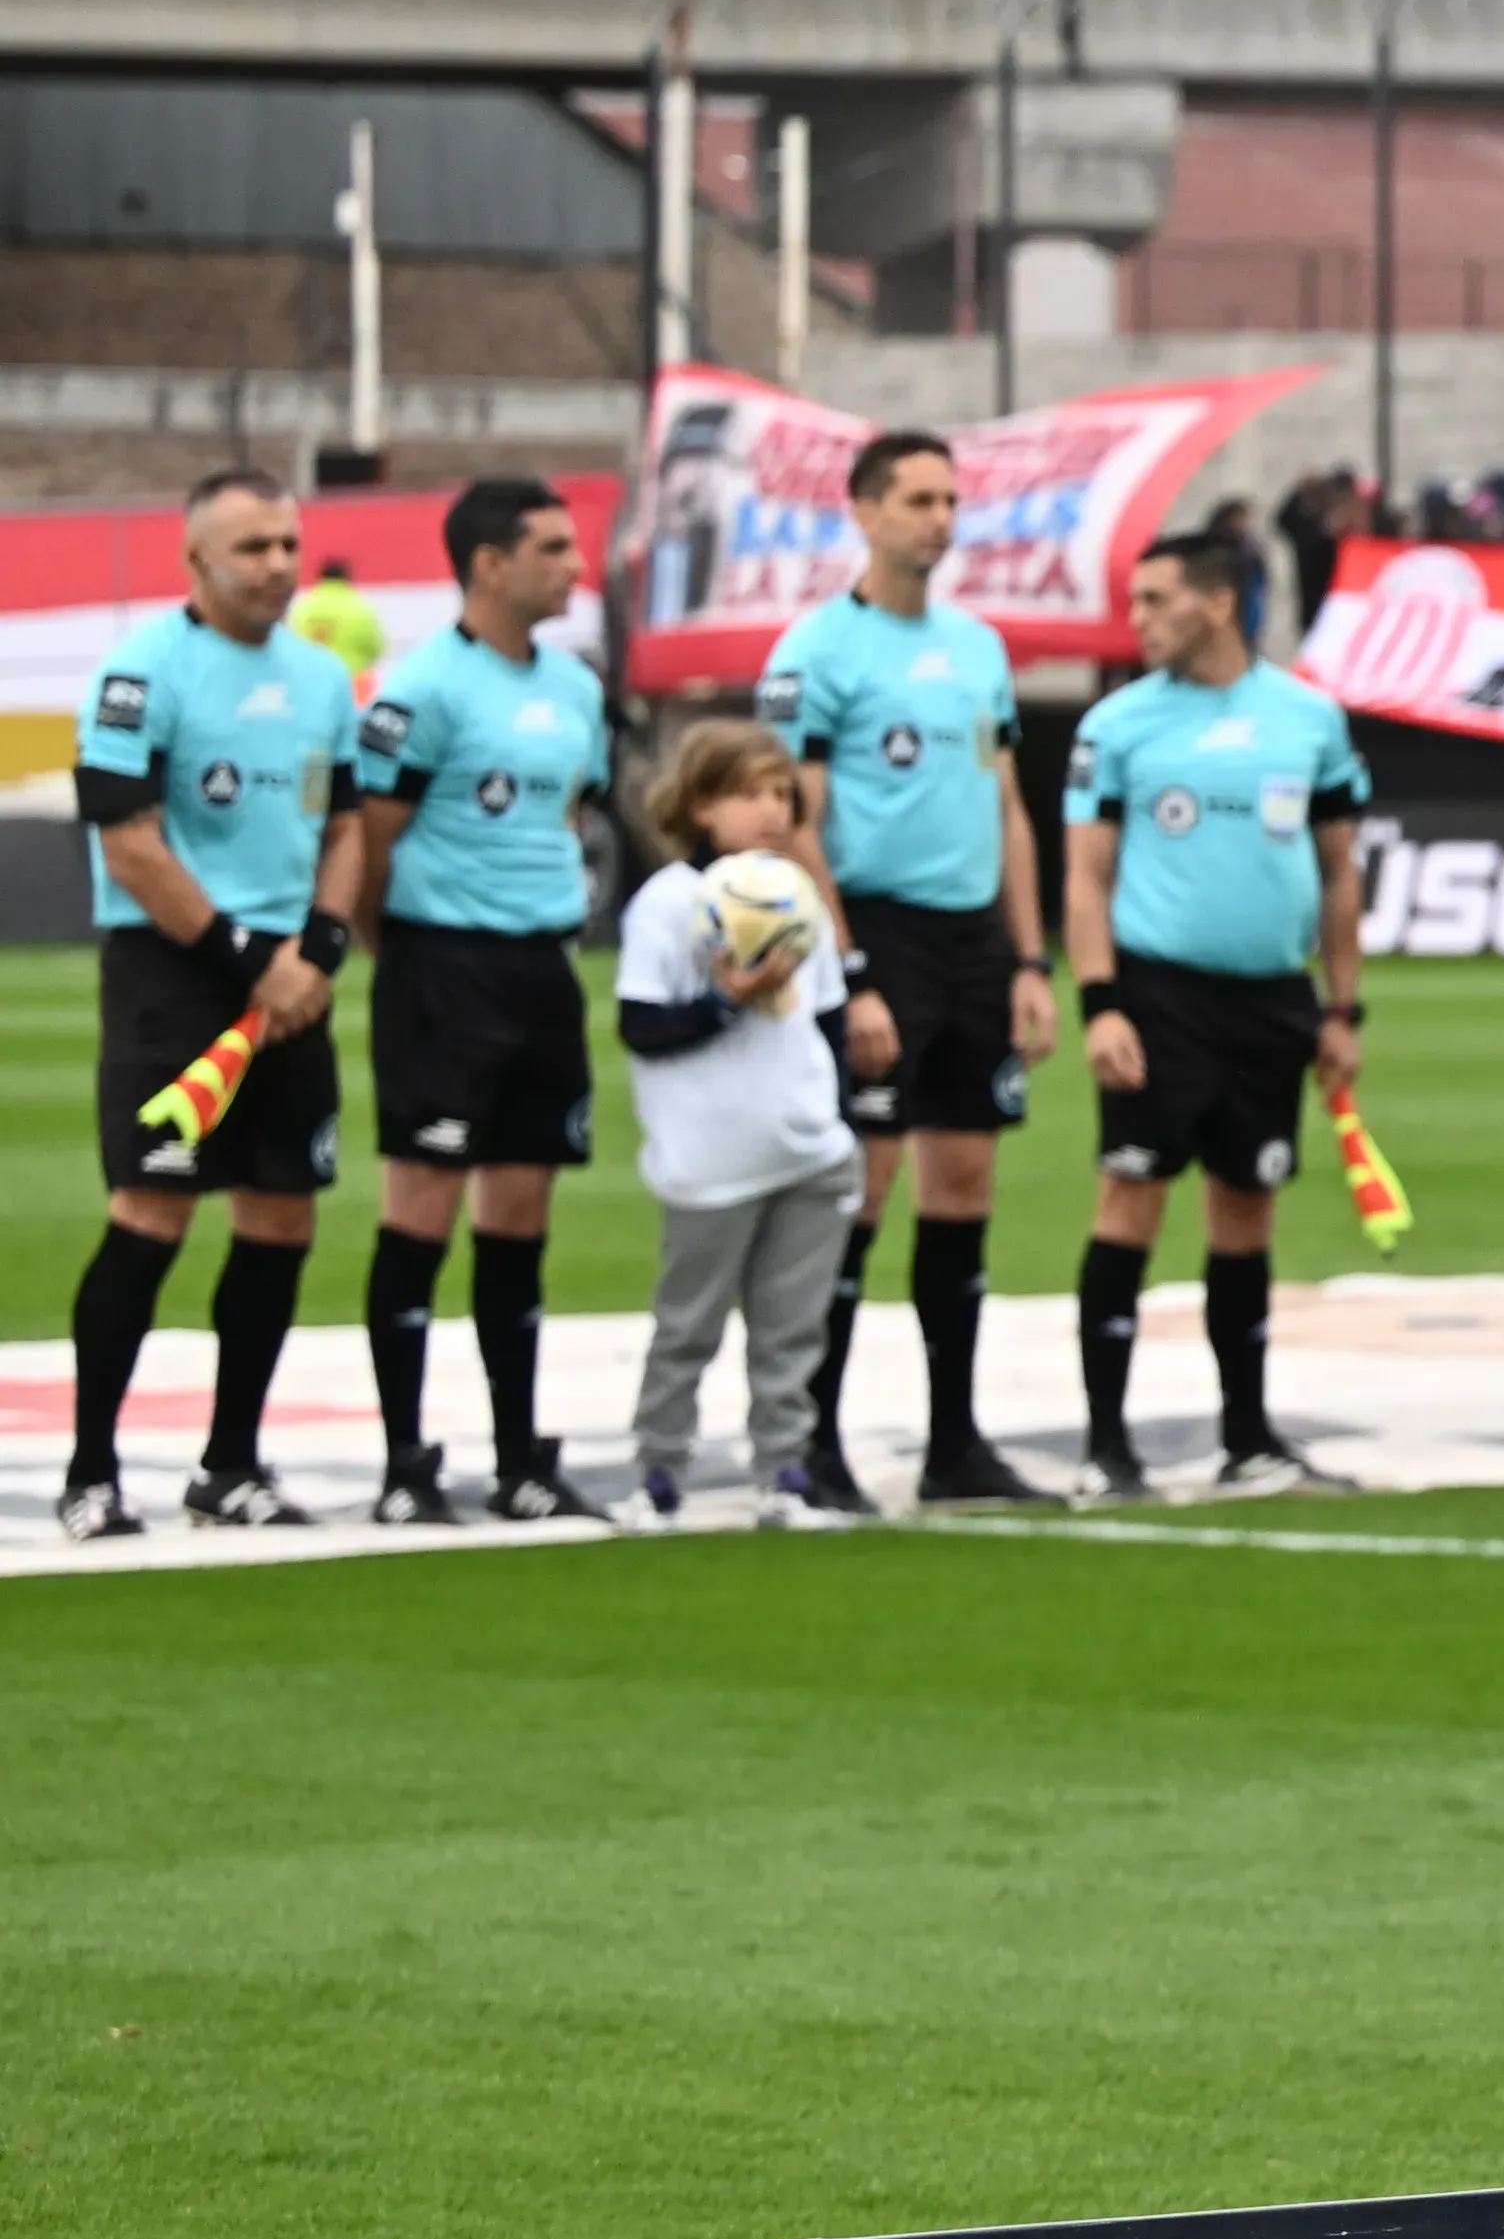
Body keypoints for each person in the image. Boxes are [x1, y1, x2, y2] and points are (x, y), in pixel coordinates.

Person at [63, 470, 369, 1539]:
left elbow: (343, 826)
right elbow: (129, 840)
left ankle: (229, 1464)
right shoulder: (144, 669)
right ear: (196, 561)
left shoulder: (325, 678)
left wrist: (320, 947)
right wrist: (251, 958)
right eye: (252, 547)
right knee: (151, 1210)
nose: (279, 564)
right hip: (177, 973)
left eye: (288, 542)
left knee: (282, 1210)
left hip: (291, 979)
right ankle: (91, 1470)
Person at [770, 422, 1057, 1509]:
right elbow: (798, 823)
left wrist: (1030, 954)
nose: (941, 518)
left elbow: (1004, 807)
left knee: (965, 1181)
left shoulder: (976, 648)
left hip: (974, 935)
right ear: (866, 510)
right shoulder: (816, 650)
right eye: (919, 499)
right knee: (861, 1184)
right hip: (875, 933)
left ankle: (954, 1443)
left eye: (950, 499)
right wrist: (848, 966)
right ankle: (816, 1440)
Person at [1057, 528, 1376, 1500]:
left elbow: (1335, 869)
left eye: (1157, 599)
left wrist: (1342, 1007)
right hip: (1158, 998)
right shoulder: (1115, 725)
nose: (1139, 617)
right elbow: (1086, 872)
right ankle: (1107, 1446)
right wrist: (1100, 1001)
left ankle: (1248, 1436)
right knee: (1131, 1202)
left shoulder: (1309, 716)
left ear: (1217, 599)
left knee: (1247, 1208)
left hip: (1272, 1003)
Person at [337, 475, 612, 1528]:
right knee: (421, 1208)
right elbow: (372, 831)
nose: (573, 565)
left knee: (521, 1215)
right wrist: (394, 944)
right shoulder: (425, 687)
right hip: (441, 970)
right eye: (550, 548)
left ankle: (518, 1456)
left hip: (540, 968)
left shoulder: (575, 687)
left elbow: (568, 810)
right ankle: (406, 1461)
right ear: (488, 563)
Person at [609, 723, 855, 1527]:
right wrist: (725, 1000)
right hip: (709, 1160)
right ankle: (659, 1473)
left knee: (791, 1332)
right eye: (747, 793)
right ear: (699, 805)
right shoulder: (669, 902)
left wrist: (836, 1120)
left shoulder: (796, 894)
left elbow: (824, 1022)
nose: (770, 811)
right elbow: (641, 1024)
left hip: (805, 1149)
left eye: (781, 793)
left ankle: (783, 1473)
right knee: (688, 1328)